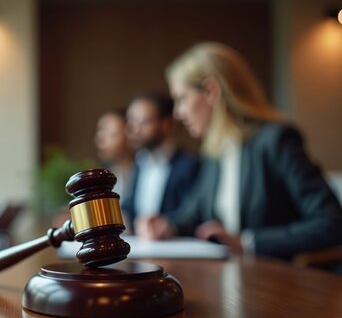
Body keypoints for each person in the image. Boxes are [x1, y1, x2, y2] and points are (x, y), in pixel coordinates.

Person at [135, 42, 342, 260]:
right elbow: (193, 214)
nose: (177, 113)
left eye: (181, 99)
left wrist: (248, 242)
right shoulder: (216, 152)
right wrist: (167, 225)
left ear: (210, 91)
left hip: (280, 283)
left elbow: (331, 222)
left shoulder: (276, 141)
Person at [121, 93, 200, 223]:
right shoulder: (139, 162)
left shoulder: (190, 165)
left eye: (143, 122)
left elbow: (191, 215)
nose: (133, 129)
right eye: (131, 121)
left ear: (167, 124)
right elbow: (131, 207)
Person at [94, 109, 134, 201]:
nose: (100, 141)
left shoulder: (142, 171)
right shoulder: (102, 175)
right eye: (99, 133)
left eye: (111, 134)